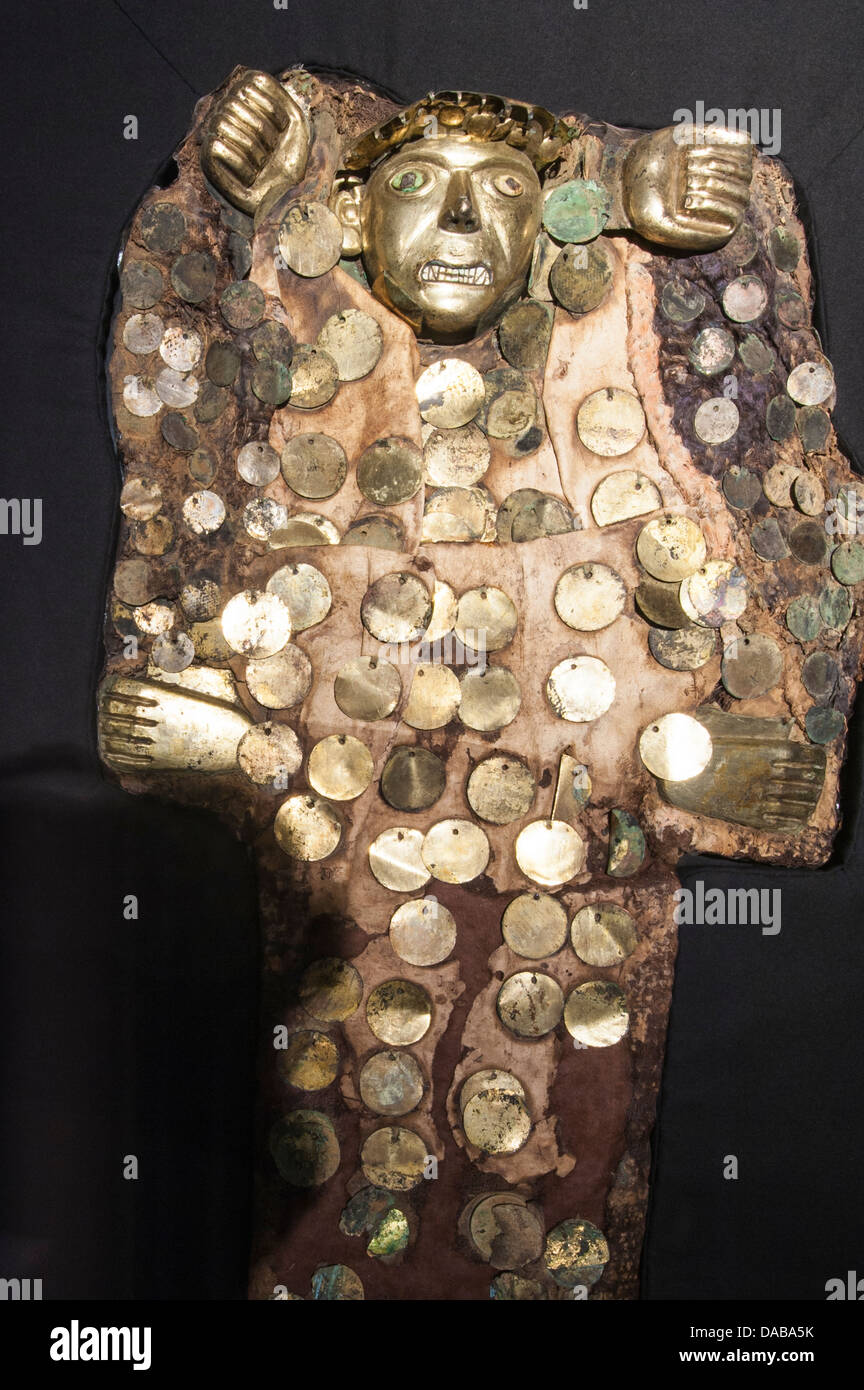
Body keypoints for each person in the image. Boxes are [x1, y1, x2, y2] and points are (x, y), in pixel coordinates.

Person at [98, 67, 861, 1299]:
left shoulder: (615, 351)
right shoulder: (308, 368)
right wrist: (231, 217)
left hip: (567, 924)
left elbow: (775, 499)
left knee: (557, 1181)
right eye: (414, 187)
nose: (459, 227)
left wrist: (695, 244)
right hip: (351, 893)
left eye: (504, 192)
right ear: (348, 222)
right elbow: (182, 488)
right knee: (328, 1197)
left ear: (554, 223)